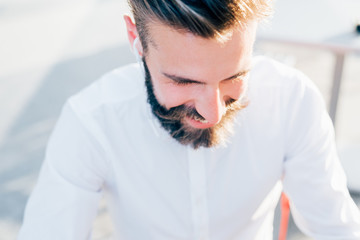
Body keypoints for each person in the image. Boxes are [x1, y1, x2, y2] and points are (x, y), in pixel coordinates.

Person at [18, 0, 360, 239]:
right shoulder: (91, 122)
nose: (213, 114)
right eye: (183, 82)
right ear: (136, 38)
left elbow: (336, 228)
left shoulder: (292, 101)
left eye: (234, 76)